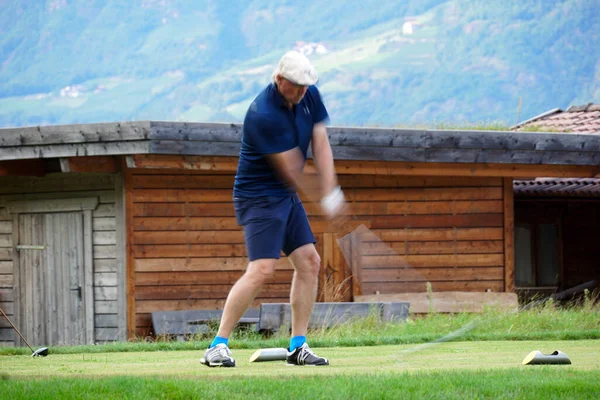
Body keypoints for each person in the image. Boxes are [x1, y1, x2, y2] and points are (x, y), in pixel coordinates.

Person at [201, 50, 346, 367]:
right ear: (279, 80)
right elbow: (292, 167)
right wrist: (322, 197)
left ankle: (298, 346)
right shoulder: (262, 113)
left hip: (285, 194)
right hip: (259, 196)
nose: (304, 91)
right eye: (297, 85)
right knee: (263, 269)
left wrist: (332, 187)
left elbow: (320, 141)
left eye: (307, 85)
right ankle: (217, 345)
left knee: (309, 261)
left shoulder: (308, 94)